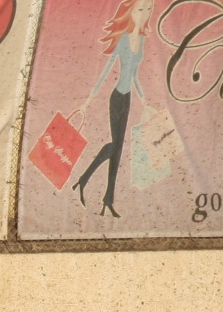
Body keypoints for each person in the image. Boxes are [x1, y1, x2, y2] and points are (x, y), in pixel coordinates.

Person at [74, 0, 153, 218]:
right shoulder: (124, 39)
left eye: (148, 9)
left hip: (128, 99)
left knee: (118, 150)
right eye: (140, 9)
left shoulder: (142, 40)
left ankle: (107, 198)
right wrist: (88, 100)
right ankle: (85, 179)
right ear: (131, 12)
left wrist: (144, 100)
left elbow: (134, 75)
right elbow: (107, 70)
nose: (144, 14)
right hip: (117, 97)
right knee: (115, 146)